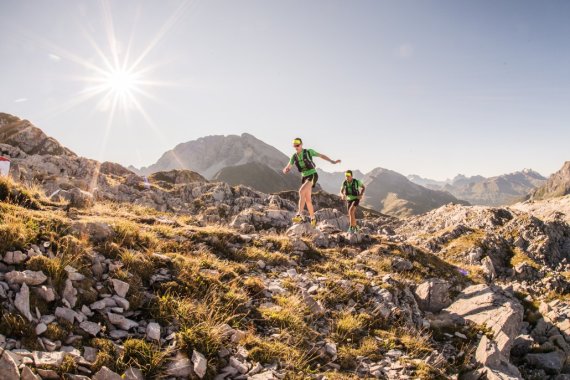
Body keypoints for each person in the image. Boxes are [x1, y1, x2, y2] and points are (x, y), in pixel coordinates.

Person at [283, 138, 341, 226]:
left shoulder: (308, 152)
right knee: (308, 200)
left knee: (301, 191)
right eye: (294, 145)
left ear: (301, 144)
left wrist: (332, 161)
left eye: (297, 145)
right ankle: (313, 219)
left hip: (312, 175)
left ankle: (299, 215)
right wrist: (286, 169)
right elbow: (288, 166)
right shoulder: (294, 156)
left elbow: (321, 156)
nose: (296, 147)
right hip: (304, 177)